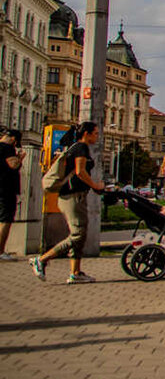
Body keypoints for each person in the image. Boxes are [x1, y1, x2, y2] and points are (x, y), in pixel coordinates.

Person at [31, 121, 106, 283]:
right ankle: (42, 259)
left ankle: (75, 272)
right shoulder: (81, 148)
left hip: (74, 196)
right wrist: (95, 186)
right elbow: (80, 171)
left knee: (80, 234)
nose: (97, 136)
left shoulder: (75, 147)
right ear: (86, 134)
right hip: (72, 197)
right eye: (95, 133)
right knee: (78, 234)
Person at [0, 128, 25, 261]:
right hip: (5, 189)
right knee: (5, 219)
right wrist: (20, 157)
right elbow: (13, 165)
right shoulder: (7, 148)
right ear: (14, 140)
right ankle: (0, 251)